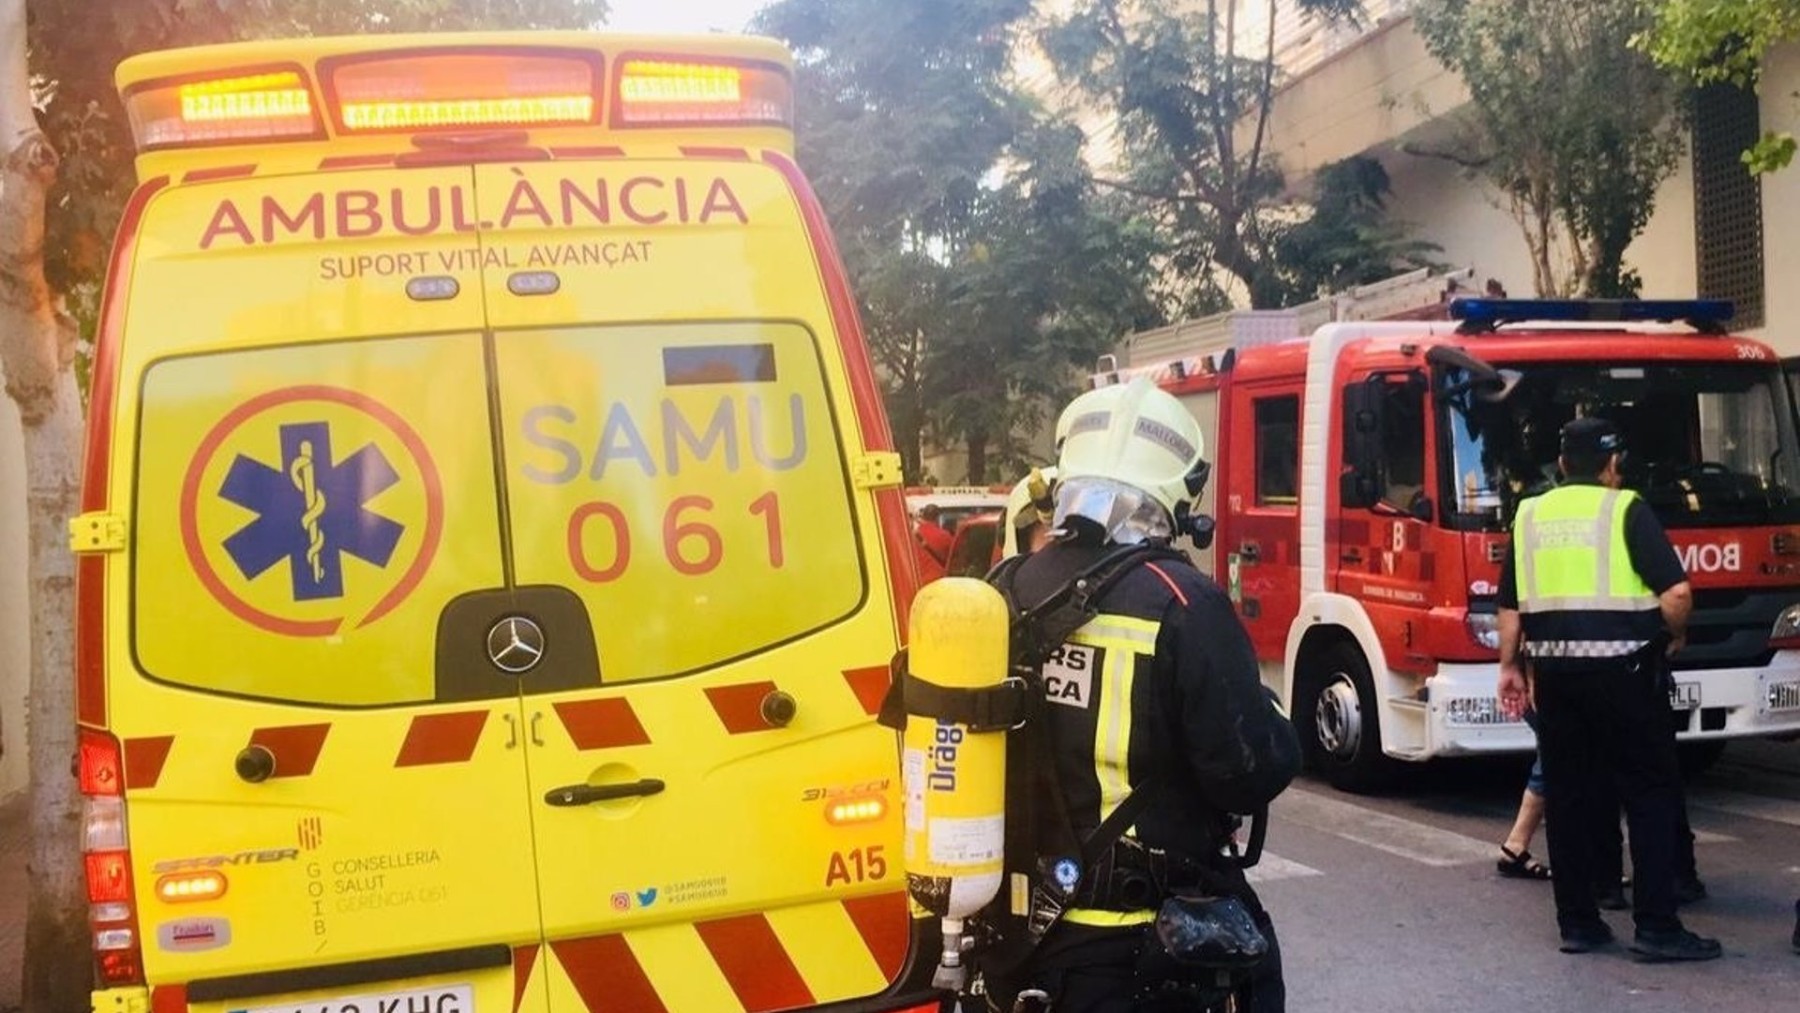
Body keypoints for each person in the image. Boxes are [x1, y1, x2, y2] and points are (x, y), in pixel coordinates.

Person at [989, 379, 1301, 1011]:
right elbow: (1249, 774)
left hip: (1013, 938)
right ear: (1175, 497)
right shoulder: (1184, 602)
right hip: (1139, 954)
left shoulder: (1001, 590)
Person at [1496, 416, 1720, 962]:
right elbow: (1678, 593)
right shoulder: (1626, 509)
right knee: (1649, 793)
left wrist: (1510, 667)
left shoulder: (1529, 515)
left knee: (1570, 800)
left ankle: (1579, 924)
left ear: (1562, 464)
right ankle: (1657, 927)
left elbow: (1510, 604)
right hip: (1627, 677)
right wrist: (1675, 635)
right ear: (1611, 465)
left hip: (1557, 680)